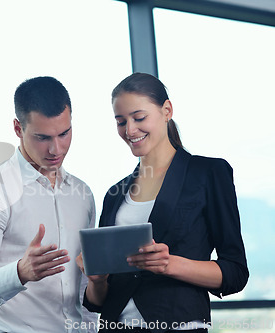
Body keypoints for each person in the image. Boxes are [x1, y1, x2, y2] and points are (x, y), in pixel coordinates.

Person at [77, 72, 249, 333]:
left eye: (139, 117)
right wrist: (97, 280)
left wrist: (170, 264)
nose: (129, 130)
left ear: (167, 110)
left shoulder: (208, 173)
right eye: (121, 121)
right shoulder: (115, 194)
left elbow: (235, 272)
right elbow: (98, 300)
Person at [0, 76, 98, 332]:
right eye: (42, 137)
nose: (56, 149)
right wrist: (19, 272)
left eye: (64, 133)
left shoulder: (82, 194)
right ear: (18, 128)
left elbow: (83, 289)